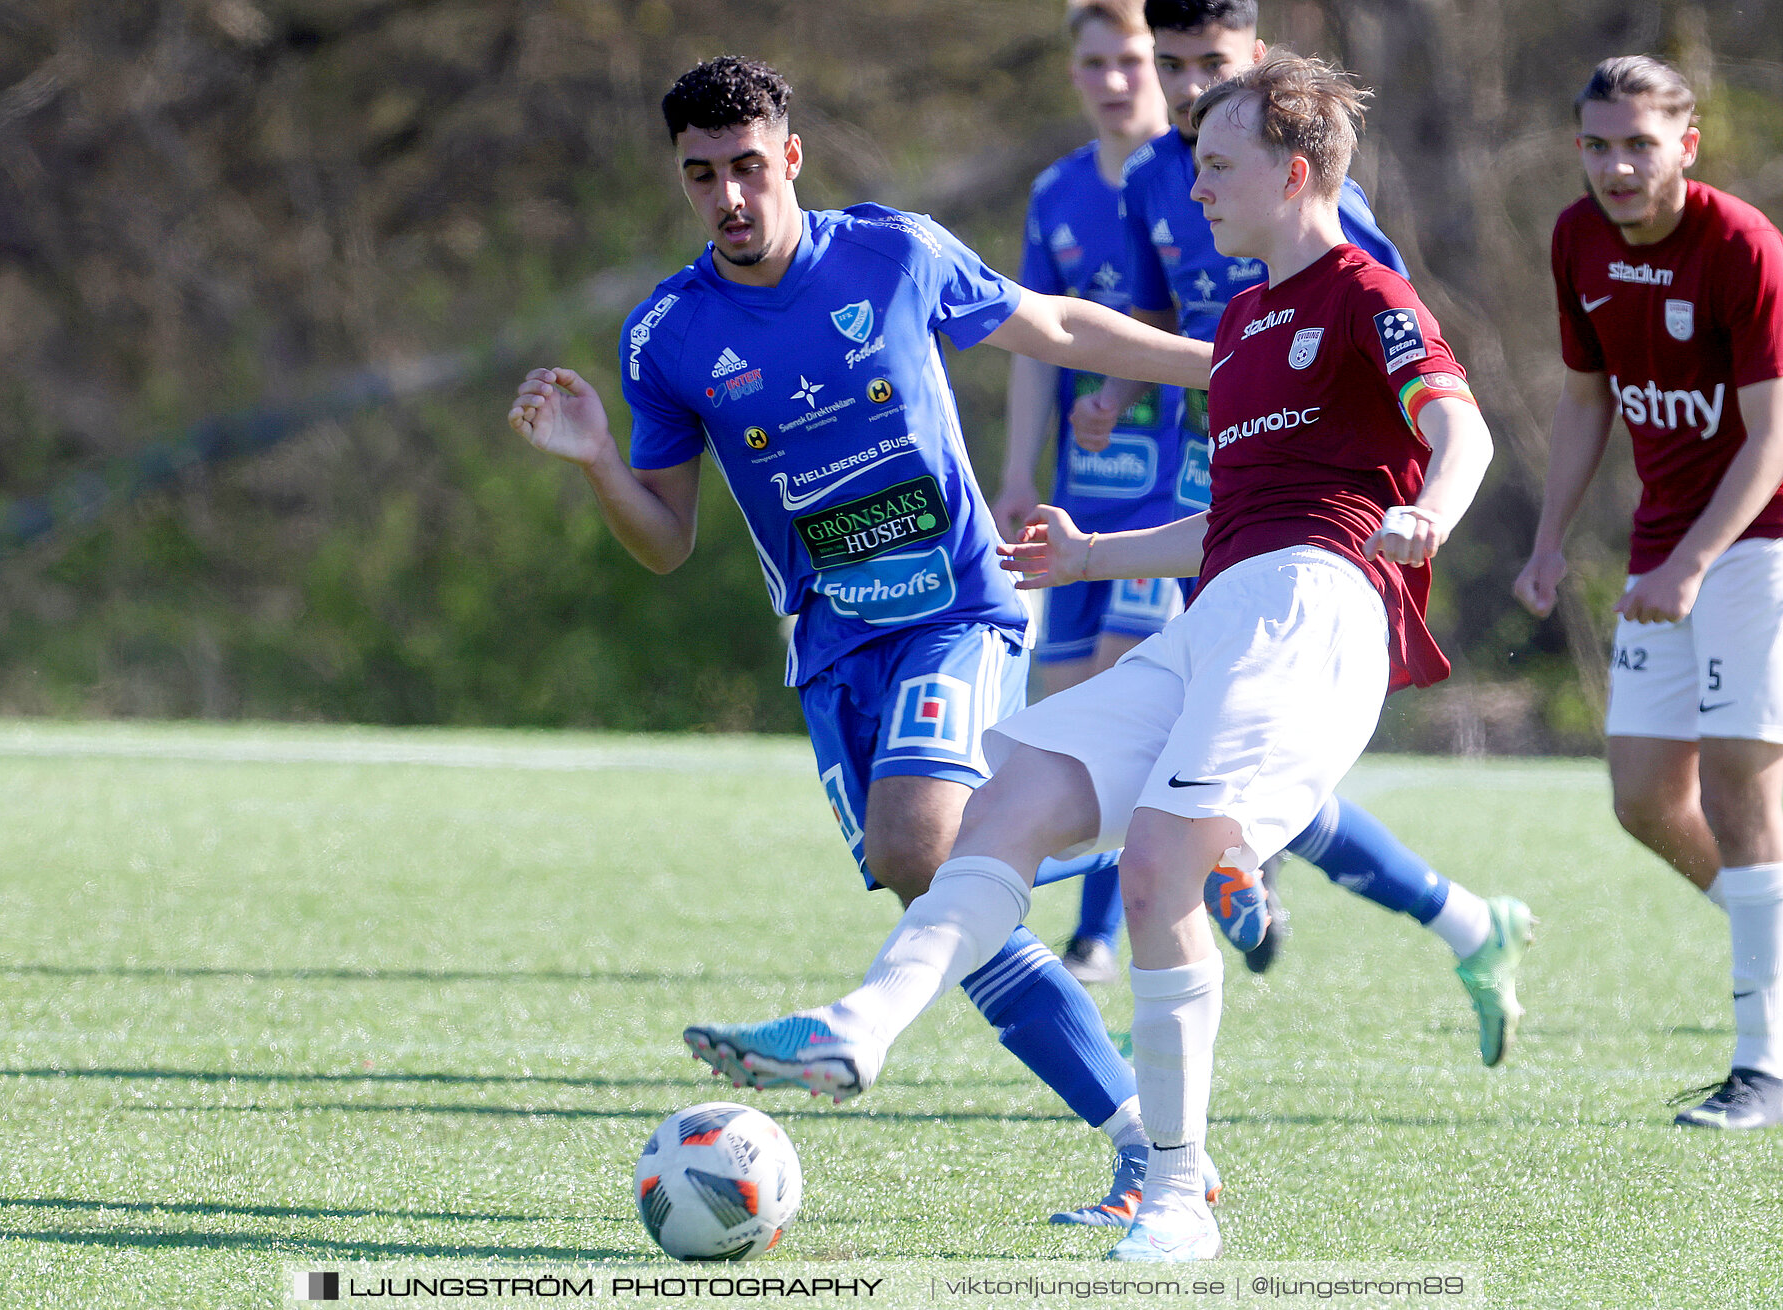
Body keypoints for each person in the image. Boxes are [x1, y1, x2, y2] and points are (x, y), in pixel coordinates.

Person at [688, 53, 1497, 1261]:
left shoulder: (1363, 288)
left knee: (1165, 861)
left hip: (1319, 607)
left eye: (1215, 167)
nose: (1196, 190)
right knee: (1006, 806)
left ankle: (1175, 1192)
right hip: (1227, 601)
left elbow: (1461, 425)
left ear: (1291, 170)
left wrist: (1432, 507)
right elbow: (1232, 520)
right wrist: (1092, 553)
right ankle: (858, 1026)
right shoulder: (1245, 318)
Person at [510, 56, 1226, 1222]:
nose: (730, 197)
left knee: (918, 837)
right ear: (682, 181)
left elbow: (1048, 321)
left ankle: (1135, 860)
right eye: (703, 177)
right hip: (835, 651)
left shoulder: (893, 252)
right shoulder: (669, 336)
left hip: (958, 607)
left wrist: (1217, 360)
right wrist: (596, 459)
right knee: (936, 886)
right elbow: (665, 540)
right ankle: (1148, 1144)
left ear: (790, 156)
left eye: (748, 166)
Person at [1070, 0, 1532, 1058]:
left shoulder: (1321, 206)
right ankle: (1452, 914)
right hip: (1218, 469)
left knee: (1201, 758)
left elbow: (1390, 346)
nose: (1187, 89)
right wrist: (1101, 381)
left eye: (1211, 66)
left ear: (1258, 68)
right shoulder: (1160, 173)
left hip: (1313, 503)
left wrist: (1422, 500)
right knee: (1181, 737)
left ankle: (1176, 890)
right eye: (1170, 64)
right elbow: (1155, 324)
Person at [1514, 56, 1783, 1131]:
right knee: (1640, 796)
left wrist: (1693, 563)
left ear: (1688, 143)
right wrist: (1547, 540)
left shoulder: (1742, 246)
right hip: (1662, 548)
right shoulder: (1577, 238)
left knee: (1737, 786)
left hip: (1757, 538)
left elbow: (1772, 440)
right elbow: (1587, 402)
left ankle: (1763, 1063)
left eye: (1638, 143)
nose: (1617, 166)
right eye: (1597, 144)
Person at [993, 0, 1197, 986]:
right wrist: (1018, 472)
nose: (1117, 80)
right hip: (1078, 496)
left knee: (1128, 695)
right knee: (1065, 712)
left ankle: (1099, 933)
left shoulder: (1204, 174)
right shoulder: (1055, 194)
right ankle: (1233, 864)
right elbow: (1036, 344)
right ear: (1072, 72)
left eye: (1133, 60)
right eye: (1097, 63)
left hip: (1174, 493)